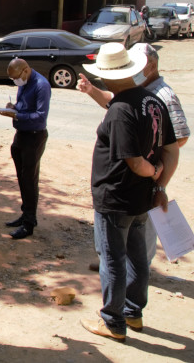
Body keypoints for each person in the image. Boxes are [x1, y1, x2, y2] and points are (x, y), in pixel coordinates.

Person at [78, 43, 179, 342]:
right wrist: (159, 186)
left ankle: (113, 320)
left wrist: (153, 172)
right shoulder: (152, 101)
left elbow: (135, 161)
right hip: (142, 197)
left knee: (113, 258)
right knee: (136, 256)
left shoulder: (120, 110)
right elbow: (171, 150)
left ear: (107, 76)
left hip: (116, 197)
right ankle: (134, 312)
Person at [79, 42, 189, 268]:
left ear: (152, 65)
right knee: (124, 247)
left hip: (144, 180)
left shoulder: (164, 96)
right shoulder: (133, 93)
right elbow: (112, 101)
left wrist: (156, 173)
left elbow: (177, 140)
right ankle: (126, 278)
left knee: (137, 246)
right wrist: (91, 90)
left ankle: (129, 282)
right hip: (135, 177)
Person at [0, 58, 51, 240]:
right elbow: (24, 107)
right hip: (21, 134)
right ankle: (26, 213)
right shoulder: (23, 83)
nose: (16, 82)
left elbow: (40, 116)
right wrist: (13, 108)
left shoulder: (41, 85)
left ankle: (29, 223)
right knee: (21, 176)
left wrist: (17, 114)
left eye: (16, 78)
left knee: (29, 179)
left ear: (25, 70)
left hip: (35, 136)